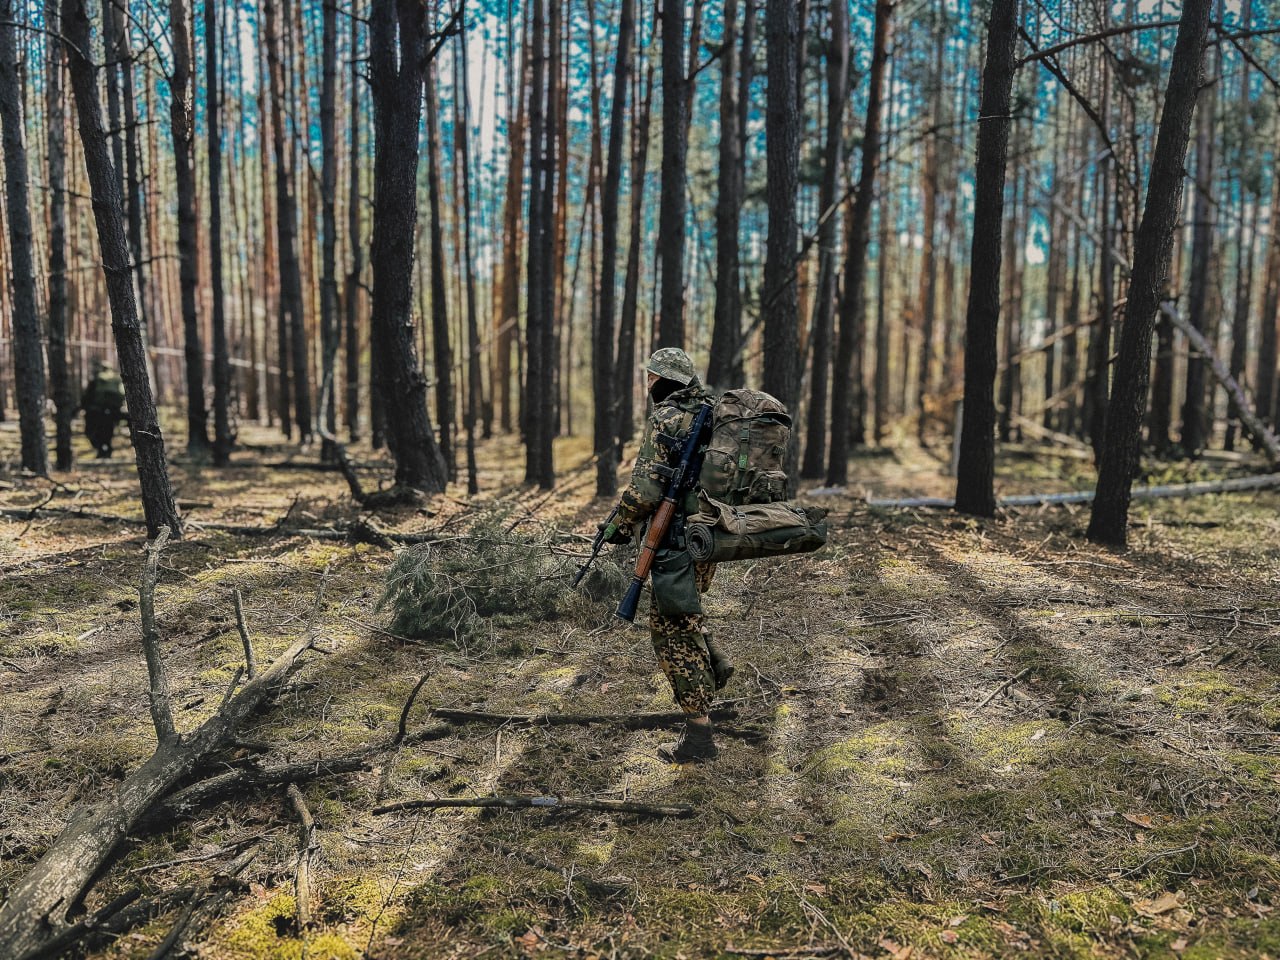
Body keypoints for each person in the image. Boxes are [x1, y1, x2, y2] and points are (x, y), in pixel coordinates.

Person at [605, 348, 734, 764]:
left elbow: (644, 491)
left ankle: (699, 738)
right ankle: (714, 662)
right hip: (707, 537)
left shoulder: (667, 418)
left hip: (675, 542)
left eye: (650, 377)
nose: (648, 385)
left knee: (671, 632)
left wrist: (618, 526)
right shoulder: (714, 413)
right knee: (684, 613)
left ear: (662, 380)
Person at [80, 360, 127, 459]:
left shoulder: (96, 380)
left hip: (96, 411)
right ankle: (106, 451)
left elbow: (87, 397)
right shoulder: (116, 379)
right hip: (113, 411)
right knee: (107, 433)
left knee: (92, 432)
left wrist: (82, 407)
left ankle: (102, 450)